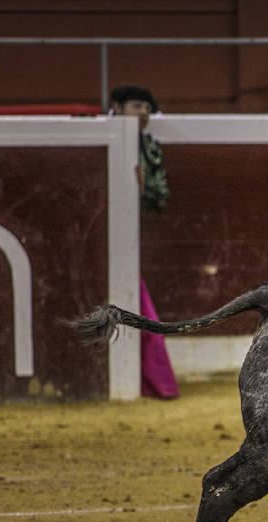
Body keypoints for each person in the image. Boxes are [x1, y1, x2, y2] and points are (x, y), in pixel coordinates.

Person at [109, 85, 179, 400]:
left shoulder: (150, 148)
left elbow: (160, 197)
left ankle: (152, 382)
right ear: (117, 108)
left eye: (147, 108)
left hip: (129, 243)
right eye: (137, 106)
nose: (144, 113)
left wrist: (142, 186)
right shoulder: (102, 137)